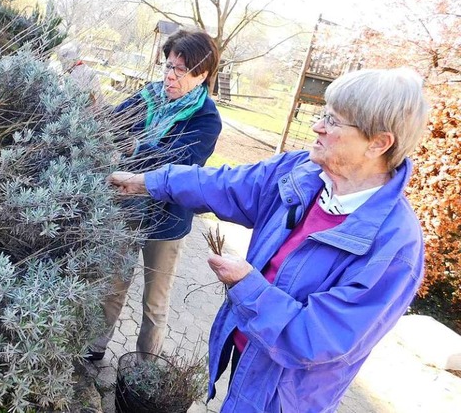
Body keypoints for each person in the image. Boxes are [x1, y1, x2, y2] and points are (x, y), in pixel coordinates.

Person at [107, 67, 429, 412]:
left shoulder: (395, 247)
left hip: (286, 396)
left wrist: (246, 285)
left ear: (379, 143)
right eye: (323, 115)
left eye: (333, 122)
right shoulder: (301, 173)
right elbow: (225, 184)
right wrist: (149, 182)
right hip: (247, 358)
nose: (317, 127)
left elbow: (316, 339)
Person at [86, 29, 222, 361]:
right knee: (112, 285)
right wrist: (95, 112)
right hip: (127, 208)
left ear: (202, 75)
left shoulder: (206, 120)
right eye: (168, 65)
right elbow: (115, 124)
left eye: (181, 70)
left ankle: (144, 367)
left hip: (168, 220)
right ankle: (94, 347)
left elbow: (177, 163)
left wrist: (135, 147)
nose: (170, 76)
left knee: (155, 302)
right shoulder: (148, 96)